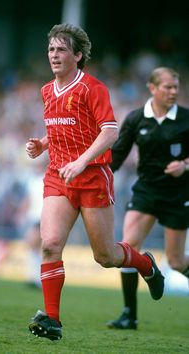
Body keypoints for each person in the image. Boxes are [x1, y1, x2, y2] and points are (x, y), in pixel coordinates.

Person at [26, 23, 164, 341]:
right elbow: (63, 124)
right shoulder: (47, 90)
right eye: (51, 49)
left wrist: (82, 161)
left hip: (91, 177)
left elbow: (110, 131)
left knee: (105, 256)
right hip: (59, 176)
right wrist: (44, 145)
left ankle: (146, 265)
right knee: (49, 245)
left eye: (61, 49)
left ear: (77, 55)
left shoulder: (93, 88)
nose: (54, 55)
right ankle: (52, 320)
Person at [106, 67, 189, 330]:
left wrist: (185, 165)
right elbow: (116, 157)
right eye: (168, 87)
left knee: (176, 262)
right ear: (152, 88)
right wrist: (96, 176)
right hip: (146, 192)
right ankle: (129, 314)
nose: (173, 92)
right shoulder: (135, 119)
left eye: (176, 87)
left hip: (178, 195)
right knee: (128, 247)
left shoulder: (187, 119)